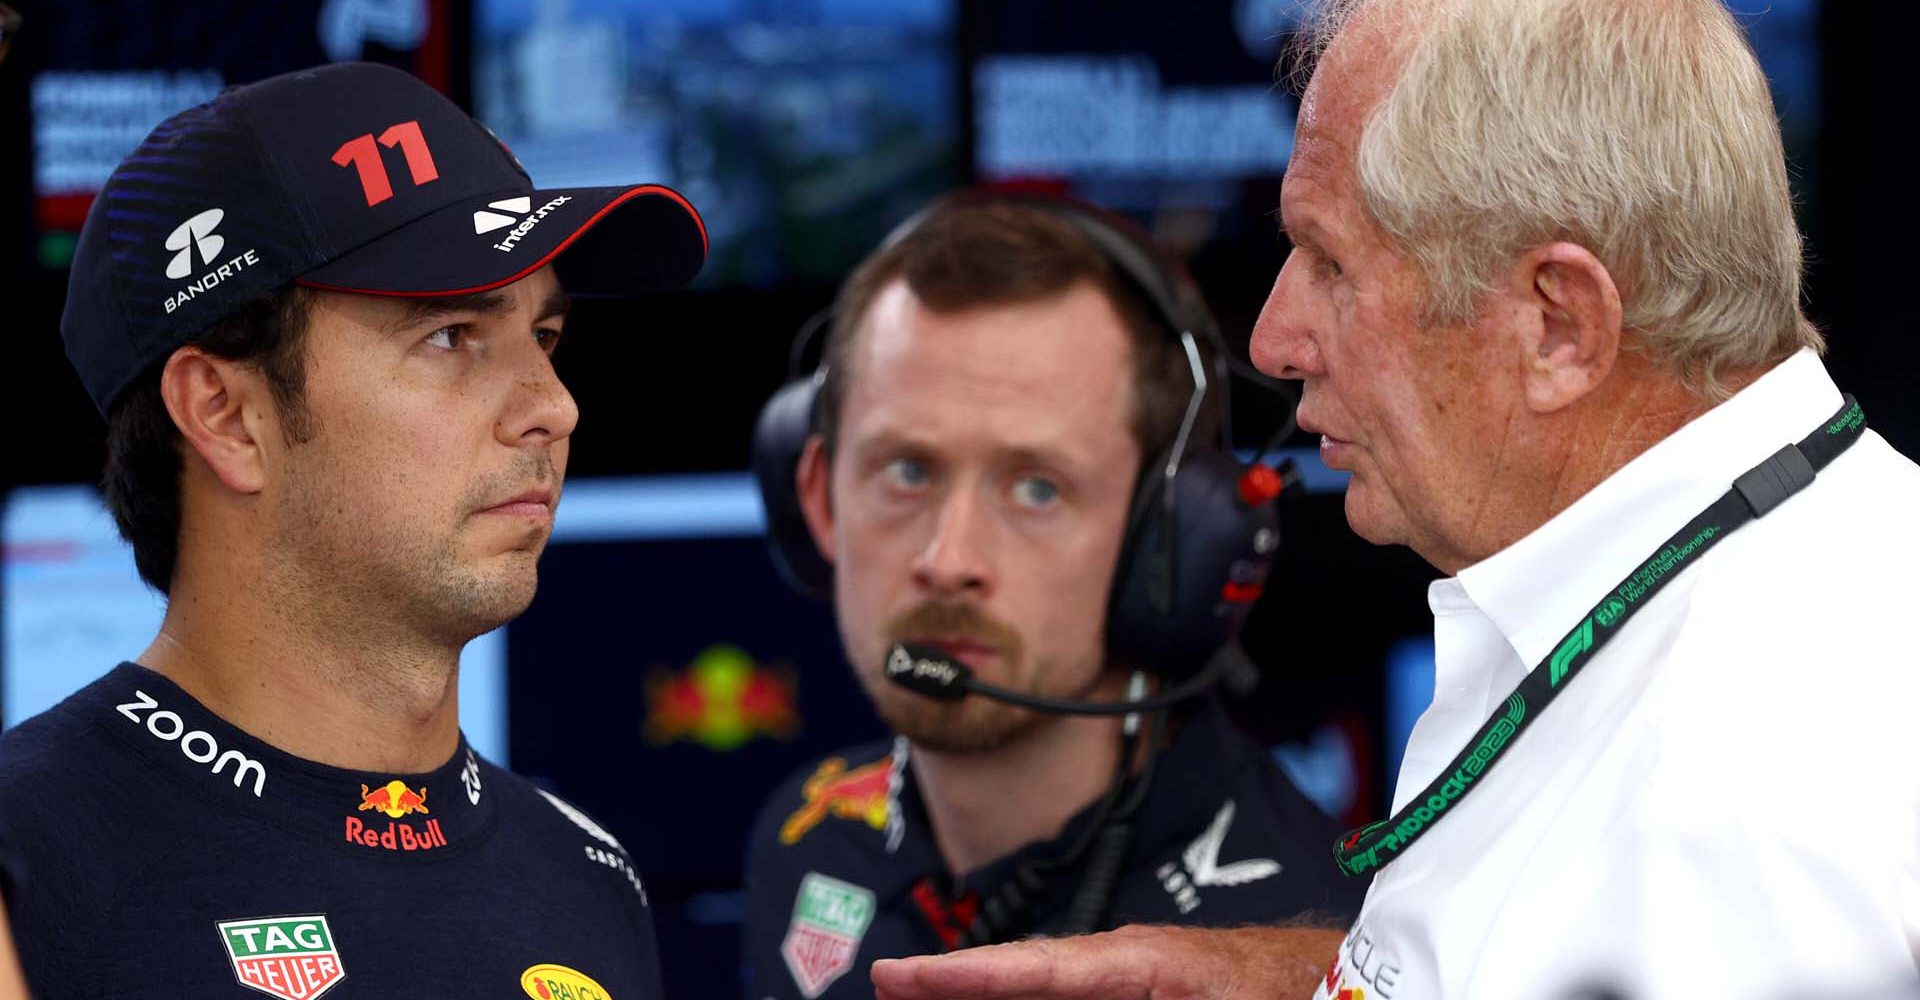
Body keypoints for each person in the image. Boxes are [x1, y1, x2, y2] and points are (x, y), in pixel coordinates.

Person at [865, 2, 1920, 999]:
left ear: (1559, 326)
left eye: (1329, 261)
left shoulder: (1748, 784)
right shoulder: (1715, 585)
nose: (1275, 341)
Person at [0, 62, 707, 997]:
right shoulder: (28, 860)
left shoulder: (590, 877)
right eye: (452, 335)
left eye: (544, 338)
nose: (554, 407)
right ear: (224, 414)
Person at [741, 193, 1365, 1000]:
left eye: (1036, 488)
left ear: (1164, 540)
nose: (948, 559)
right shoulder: (810, 841)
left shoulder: (1319, 944)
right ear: (820, 501)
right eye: (907, 472)